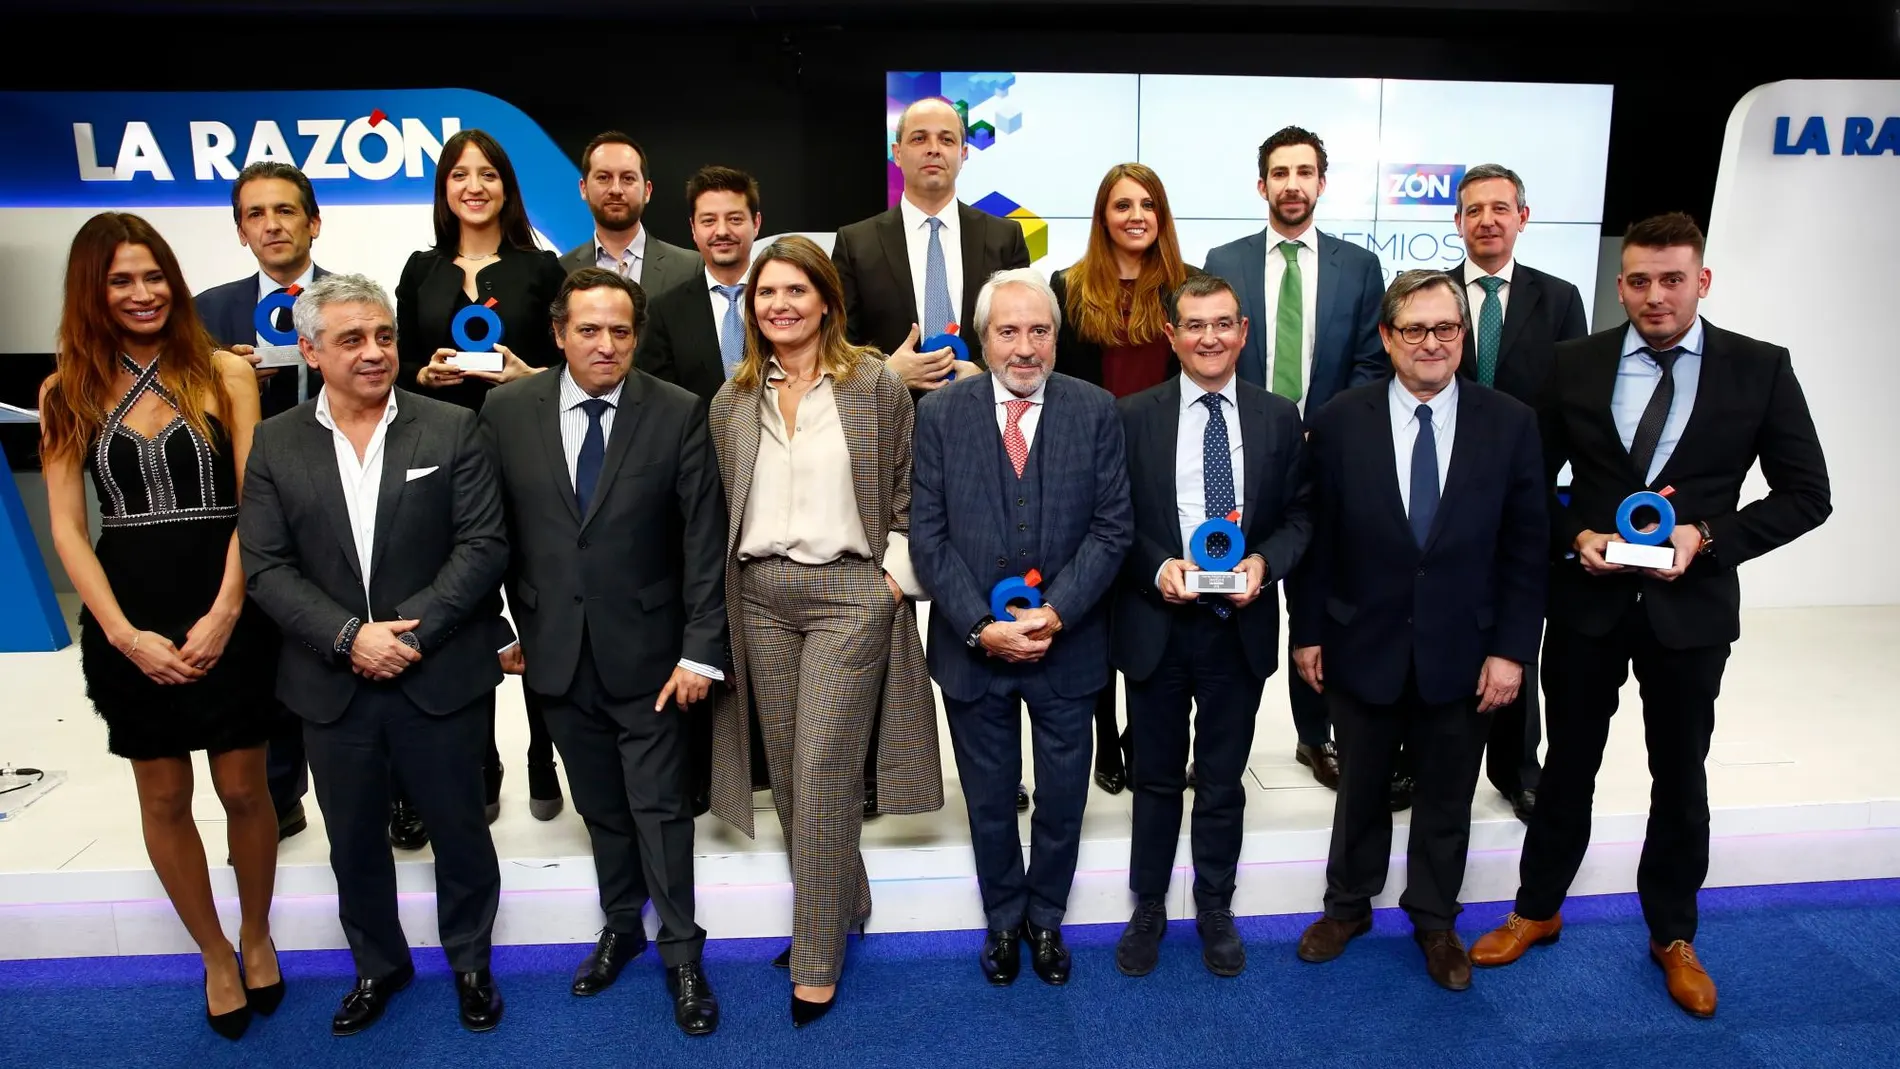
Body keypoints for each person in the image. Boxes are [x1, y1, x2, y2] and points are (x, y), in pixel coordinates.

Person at [1471, 212, 1832, 1019]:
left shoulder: (1758, 369)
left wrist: (1707, 536)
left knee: (1680, 776)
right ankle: (1537, 906)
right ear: (1621, 283)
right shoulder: (1577, 362)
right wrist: (1579, 533)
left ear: (1701, 281)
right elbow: (1530, 480)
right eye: (1638, 279)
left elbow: (1809, 494)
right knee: (1565, 766)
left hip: (1689, 612)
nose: (1654, 295)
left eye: (1672, 279)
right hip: (1588, 605)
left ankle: (1673, 933)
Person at [239, 273, 511, 1036]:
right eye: (352, 338)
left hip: (439, 672)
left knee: (461, 829)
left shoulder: (451, 428)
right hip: (331, 682)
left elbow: (483, 545)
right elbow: (266, 566)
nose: (373, 352)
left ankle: (470, 962)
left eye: (384, 335)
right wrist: (347, 637)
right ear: (310, 348)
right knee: (353, 839)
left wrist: (408, 633)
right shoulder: (275, 440)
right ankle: (378, 966)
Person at [39, 212, 282, 1039]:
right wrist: (121, 632)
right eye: (120, 280)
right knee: (165, 792)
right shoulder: (63, 390)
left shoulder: (224, 373)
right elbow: (70, 527)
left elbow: (258, 503)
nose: (142, 294)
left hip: (229, 602)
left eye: (154, 276)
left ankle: (256, 932)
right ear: (92, 292)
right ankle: (214, 951)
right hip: (129, 614)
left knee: (247, 786)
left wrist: (225, 610)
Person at [480, 268, 724, 1035]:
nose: (606, 344)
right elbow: (486, 532)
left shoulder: (679, 412)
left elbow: (702, 542)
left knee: (658, 809)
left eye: (620, 330)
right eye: (589, 329)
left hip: (652, 656)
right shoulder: (506, 409)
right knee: (602, 808)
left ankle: (683, 953)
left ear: (637, 335)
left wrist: (699, 650)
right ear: (558, 333)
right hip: (553, 653)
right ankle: (622, 925)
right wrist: (500, 628)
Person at [705, 235, 940, 1028]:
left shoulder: (875, 384)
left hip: (850, 593)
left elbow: (909, 485)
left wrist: (893, 581)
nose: (779, 304)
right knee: (797, 778)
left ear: (826, 301)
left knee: (824, 763)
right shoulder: (732, 400)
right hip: (761, 596)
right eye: (765, 293)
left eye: (795, 291)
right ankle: (848, 897)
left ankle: (814, 958)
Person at [1290, 270, 1546, 992]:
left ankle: (1435, 918)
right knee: (1361, 788)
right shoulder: (1341, 418)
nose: (1432, 343)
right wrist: (1307, 631)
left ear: (1464, 336)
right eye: (1415, 330)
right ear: (1386, 337)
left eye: (1447, 329)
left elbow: (1527, 549)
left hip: (1466, 652)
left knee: (1446, 794)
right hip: (1359, 642)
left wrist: (1511, 651)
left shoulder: (1510, 421)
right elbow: (1318, 539)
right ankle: (1347, 906)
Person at [911, 267, 1132, 989]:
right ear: (983, 338)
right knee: (989, 792)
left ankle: (1046, 917)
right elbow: (928, 538)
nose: (1025, 346)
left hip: (1067, 648)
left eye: (1039, 331)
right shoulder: (940, 415)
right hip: (975, 651)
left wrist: (1056, 611)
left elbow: (1111, 528)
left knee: (1064, 794)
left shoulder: (1097, 411)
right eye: (1009, 331)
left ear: (1057, 339)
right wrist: (980, 625)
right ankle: (1004, 918)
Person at [1110, 273, 1311, 979]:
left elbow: (1299, 517)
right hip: (1158, 621)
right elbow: (1114, 521)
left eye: (1223, 323)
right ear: (1171, 335)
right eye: (1194, 325)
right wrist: (1156, 565)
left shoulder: (1278, 416)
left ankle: (1215, 905)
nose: (1209, 337)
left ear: (1244, 331)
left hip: (1239, 623)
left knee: (1222, 780)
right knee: (1157, 778)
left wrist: (1264, 561)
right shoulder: (1130, 415)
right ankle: (1148, 905)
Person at [1203, 125, 1393, 803]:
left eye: (1304, 171)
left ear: (1321, 181)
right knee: (1233, 591)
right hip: (1242, 460)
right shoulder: (1224, 257)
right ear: (1262, 185)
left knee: (1318, 596)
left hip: (1326, 455)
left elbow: (1373, 363)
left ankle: (1318, 734)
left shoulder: (1359, 265)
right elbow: (1215, 350)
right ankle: (1223, 742)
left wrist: (1324, 431)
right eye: (1279, 172)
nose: (1292, 184)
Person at [395, 128, 566, 830]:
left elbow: (573, 365)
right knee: (461, 617)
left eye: (487, 173)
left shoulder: (542, 268)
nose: (474, 185)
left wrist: (535, 379)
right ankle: (481, 760)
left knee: (536, 611)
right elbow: (398, 363)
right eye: (460, 174)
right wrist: (424, 376)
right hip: (440, 463)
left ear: (506, 187)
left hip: (522, 455)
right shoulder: (419, 269)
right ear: (444, 189)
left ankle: (541, 756)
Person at [1445, 162, 1591, 824]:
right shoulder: (1428, 294)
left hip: (1525, 490)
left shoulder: (1558, 298)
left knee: (1514, 630)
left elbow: (1575, 401)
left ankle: (1515, 767)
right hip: (1438, 489)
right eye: (1474, 210)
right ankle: (1422, 760)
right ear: (1458, 222)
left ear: (1522, 218)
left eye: (1500, 208)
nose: (1487, 220)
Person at [1049, 162, 1199, 796]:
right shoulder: (1067, 285)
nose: (1136, 216)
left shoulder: (1187, 286)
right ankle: (1105, 740)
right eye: (1122, 205)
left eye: (1147, 205)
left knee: (1156, 600)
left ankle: (1147, 738)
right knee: (1096, 606)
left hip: (1166, 462)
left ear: (1161, 215)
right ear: (1102, 216)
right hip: (1089, 463)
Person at [194, 160, 332, 841]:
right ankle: (280, 791)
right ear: (241, 231)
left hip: (340, 503)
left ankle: (377, 787)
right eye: (256, 214)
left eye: (285, 210)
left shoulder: (354, 298)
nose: (272, 224)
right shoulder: (207, 313)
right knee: (264, 650)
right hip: (248, 503)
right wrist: (226, 382)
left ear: (313, 221)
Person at [637, 164, 770, 809]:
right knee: (704, 621)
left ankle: (769, 764)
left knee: (765, 631)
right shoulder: (664, 311)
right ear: (692, 230)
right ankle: (705, 773)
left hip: (776, 488)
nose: (723, 231)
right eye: (709, 220)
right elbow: (657, 406)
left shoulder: (784, 296)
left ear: (756, 224)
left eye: (734, 218)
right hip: (696, 494)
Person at [832, 95, 1031, 390]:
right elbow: (838, 342)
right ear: (897, 154)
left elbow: (1024, 331)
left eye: (946, 140)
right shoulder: (856, 242)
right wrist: (886, 372)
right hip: (891, 418)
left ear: (963, 153)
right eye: (919, 139)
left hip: (982, 415)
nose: (933, 149)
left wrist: (982, 375)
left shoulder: (1005, 237)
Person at [557, 131, 701, 295]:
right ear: (583, 188)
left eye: (628, 178)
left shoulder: (690, 268)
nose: (616, 189)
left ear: (647, 191)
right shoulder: (559, 271)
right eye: (604, 177)